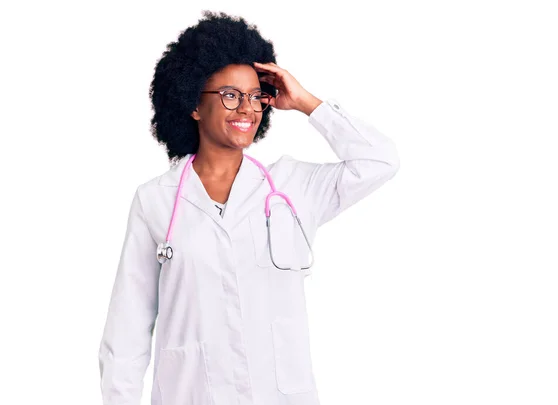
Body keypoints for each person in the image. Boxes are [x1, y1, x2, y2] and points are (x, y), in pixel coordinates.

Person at [98, 10, 400, 405]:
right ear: (193, 105)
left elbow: (380, 161)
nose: (247, 109)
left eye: (257, 96)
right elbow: (127, 330)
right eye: (230, 95)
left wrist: (308, 103)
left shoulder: (292, 188)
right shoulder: (156, 200)